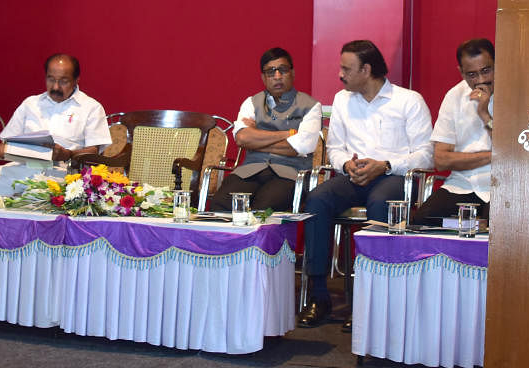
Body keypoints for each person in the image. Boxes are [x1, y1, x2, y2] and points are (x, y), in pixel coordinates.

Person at [297, 40, 433, 329]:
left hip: (392, 177)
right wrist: (347, 164)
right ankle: (319, 296)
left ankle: (368, 301)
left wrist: (384, 165)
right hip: (354, 177)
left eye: (347, 68)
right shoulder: (343, 100)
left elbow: (425, 154)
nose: (340, 74)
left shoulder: (408, 100)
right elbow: (334, 149)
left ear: (367, 69)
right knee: (317, 199)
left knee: (380, 203)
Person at [0, 53, 111, 197]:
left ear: (76, 80)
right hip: (25, 168)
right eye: (51, 79)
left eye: (63, 81)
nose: (56, 86)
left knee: (32, 198)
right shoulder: (31, 104)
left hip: (63, 173)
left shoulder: (91, 107)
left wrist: (68, 154)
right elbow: (9, 144)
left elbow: (94, 151)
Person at [207, 47, 322, 212]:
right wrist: (287, 134)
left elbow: (302, 147)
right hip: (250, 171)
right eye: (270, 72)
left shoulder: (311, 106)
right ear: (263, 77)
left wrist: (256, 139)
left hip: (290, 174)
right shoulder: (251, 103)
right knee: (221, 203)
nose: (277, 76)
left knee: (263, 208)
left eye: (282, 70)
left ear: (292, 73)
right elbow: (242, 139)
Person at [411, 38, 494, 225]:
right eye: (472, 74)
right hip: (462, 184)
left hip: (500, 185)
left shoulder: (516, 93)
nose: (481, 80)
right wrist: (493, 156)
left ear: (498, 64)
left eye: (486, 70)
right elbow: (441, 160)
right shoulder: (454, 96)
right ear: (461, 73)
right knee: (422, 221)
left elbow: (513, 156)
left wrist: (484, 114)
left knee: (498, 228)